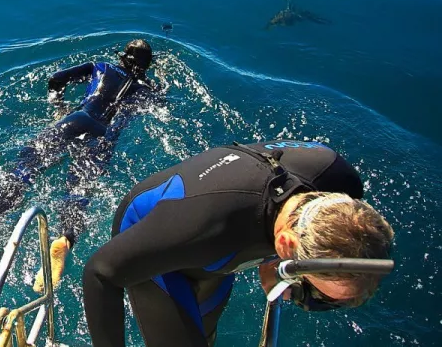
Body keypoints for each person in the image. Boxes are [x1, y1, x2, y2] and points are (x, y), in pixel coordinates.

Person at [82, 140, 395, 347]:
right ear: (285, 247)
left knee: (203, 335)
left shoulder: (336, 177)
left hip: (220, 247)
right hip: (157, 243)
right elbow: (99, 273)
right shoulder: (206, 230)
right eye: (309, 288)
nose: (295, 296)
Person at [0, 39, 161, 293]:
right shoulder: (146, 89)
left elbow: (56, 79)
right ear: (147, 65)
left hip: (78, 118)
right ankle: (65, 240)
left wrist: (59, 108)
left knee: (27, 166)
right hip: (104, 134)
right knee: (79, 188)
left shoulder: (102, 66)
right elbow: (158, 102)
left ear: (123, 56)